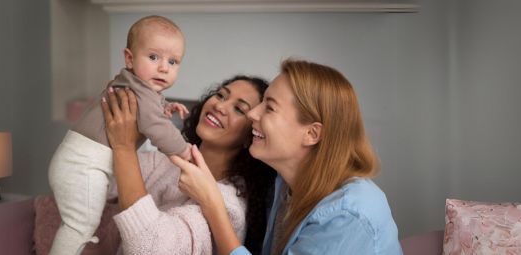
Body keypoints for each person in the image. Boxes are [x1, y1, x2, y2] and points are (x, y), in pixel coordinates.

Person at [170, 59, 403, 255]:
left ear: (311, 134)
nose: (253, 114)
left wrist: (212, 204)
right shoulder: (282, 185)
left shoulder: (349, 215)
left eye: (269, 108)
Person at [46, 15, 193, 255]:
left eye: (173, 61)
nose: (164, 67)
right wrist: (185, 151)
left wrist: (164, 108)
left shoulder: (133, 85)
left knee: (79, 225)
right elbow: (157, 129)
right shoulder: (139, 92)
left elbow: (148, 110)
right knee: (79, 227)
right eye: (153, 57)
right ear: (129, 58)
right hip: (82, 166)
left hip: (77, 163)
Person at [100, 76, 277, 254]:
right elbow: (102, 181)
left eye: (239, 109)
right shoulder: (166, 162)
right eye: (221, 95)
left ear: (251, 136)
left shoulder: (230, 207)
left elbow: (149, 247)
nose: (219, 106)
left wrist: (124, 148)